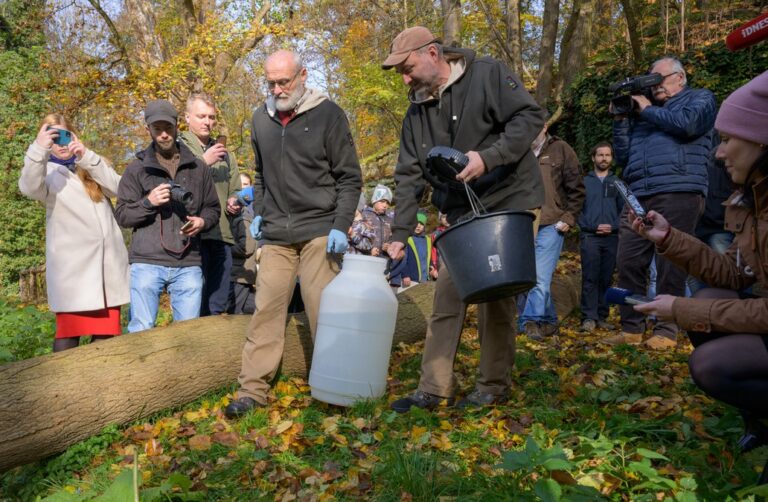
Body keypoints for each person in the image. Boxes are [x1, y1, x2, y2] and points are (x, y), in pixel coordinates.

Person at [381, 26, 546, 411]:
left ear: (434, 53)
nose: (405, 80)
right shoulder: (415, 113)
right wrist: (400, 232)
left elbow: (529, 117)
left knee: (496, 293)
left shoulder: (487, 74)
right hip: (460, 208)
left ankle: (492, 385)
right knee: (447, 294)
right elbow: (407, 176)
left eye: (408, 68)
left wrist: (488, 156)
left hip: (508, 198)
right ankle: (434, 388)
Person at [628, 70, 768, 460]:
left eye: (725, 140)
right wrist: (669, 239)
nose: (718, 152)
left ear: (762, 140)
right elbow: (732, 273)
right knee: (710, 293)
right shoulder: (753, 200)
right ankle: (758, 419)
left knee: (711, 363)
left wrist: (681, 309)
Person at [225, 50, 362, 418]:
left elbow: (349, 177)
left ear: (302, 75)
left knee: (323, 310)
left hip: (320, 229)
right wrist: (262, 214)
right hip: (276, 235)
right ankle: (251, 391)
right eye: (270, 82)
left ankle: (336, 388)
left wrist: (341, 224)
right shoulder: (260, 119)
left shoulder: (328, 115)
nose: (276, 88)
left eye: (283, 81)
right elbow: (261, 176)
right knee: (265, 309)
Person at [607, 56, 716, 349]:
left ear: (679, 77)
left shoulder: (700, 99)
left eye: (659, 79)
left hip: (679, 188)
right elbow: (622, 156)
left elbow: (688, 125)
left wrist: (647, 109)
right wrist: (621, 119)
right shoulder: (643, 115)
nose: (654, 86)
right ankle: (631, 328)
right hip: (637, 193)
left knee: (671, 263)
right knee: (628, 260)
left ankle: (666, 330)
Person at [19, 114, 130, 352]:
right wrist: (38, 149)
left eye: (64, 135)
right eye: (52, 136)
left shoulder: (89, 163)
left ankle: (102, 388)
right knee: (68, 339)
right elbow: (28, 188)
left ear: (74, 135)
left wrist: (86, 156)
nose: (60, 143)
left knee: (106, 339)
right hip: (74, 274)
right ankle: (61, 390)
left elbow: (120, 188)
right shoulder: (44, 171)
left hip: (105, 271)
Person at [115, 99, 220, 332]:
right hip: (146, 262)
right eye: (157, 129)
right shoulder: (136, 169)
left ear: (177, 126)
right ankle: (142, 371)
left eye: (168, 128)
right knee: (141, 329)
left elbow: (213, 209)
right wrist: (148, 202)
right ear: (148, 130)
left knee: (188, 334)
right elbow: (122, 215)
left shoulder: (198, 167)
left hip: (189, 262)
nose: (163, 135)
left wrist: (202, 222)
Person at [518, 125, 585, 340]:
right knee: (528, 276)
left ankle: (529, 321)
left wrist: (568, 218)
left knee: (539, 277)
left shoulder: (561, 149)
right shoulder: (519, 152)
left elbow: (578, 188)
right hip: (524, 223)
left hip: (552, 223)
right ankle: (549, 322)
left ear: (544, 126)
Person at [179, 93, 241, 317]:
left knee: (217, 304)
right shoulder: (178, 148)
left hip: (222, 233)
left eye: (211, 117)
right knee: (192, 304)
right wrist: (203, 162)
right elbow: (174, 182)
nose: (207, 122)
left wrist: (236, 200)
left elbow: (236, 188)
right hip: (192, 234)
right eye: (201, 116)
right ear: (187, 117)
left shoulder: (225, 153)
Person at [578, 142, 623, 332]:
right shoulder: (584, 182)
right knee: (590, 277)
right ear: (593, 158)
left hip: (612, 237)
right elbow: (577, 209)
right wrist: (591, 226)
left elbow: (625, 211)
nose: (604, 158)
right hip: (590, 236)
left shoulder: (618, 183)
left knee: (606, 278)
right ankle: (589, 317)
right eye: (600, 155)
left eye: (607, 155)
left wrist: (614, 226)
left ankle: (602, 316)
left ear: (611, 158)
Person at [350, 184, 395, 256]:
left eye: (387, 203)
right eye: (382, 201)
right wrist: (369, 252)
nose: (385, 205)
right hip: (364, 259)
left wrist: (389, 246)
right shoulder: (363, 214)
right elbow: (354, 238)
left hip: (384, 261)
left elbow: (394, 238)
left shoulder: (390, 219)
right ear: (375, 200)